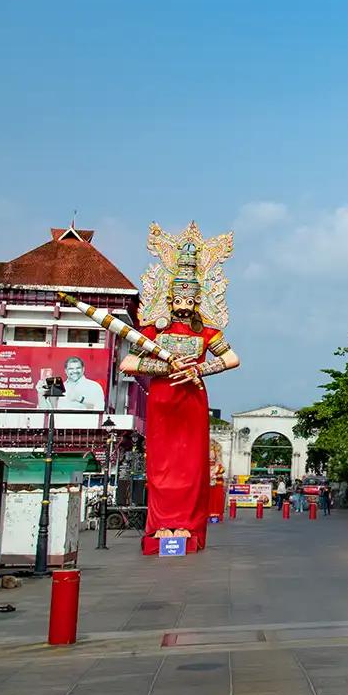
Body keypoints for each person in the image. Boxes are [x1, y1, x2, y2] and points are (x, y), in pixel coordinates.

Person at [119, 223, 239, 555]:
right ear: (168, 297)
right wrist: (166, 366)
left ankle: (186, 524)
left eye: (190, 297)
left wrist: (199, 368)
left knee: (190, 467)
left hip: (192, 399)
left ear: (199, 299)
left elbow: (232, 358)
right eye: (179, 297)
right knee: (161, 466)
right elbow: (128, 365)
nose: (184, 303)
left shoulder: (207, 333)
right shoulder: (151, 332)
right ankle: (161, 525)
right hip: (162, 400)